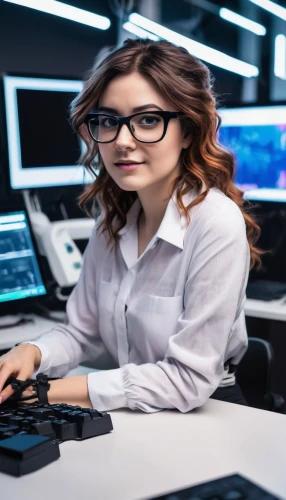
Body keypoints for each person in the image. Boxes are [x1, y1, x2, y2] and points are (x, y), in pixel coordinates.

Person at [0, 39, 263, 412]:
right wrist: (33, 352)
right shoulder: (112, 218)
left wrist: (47, 391)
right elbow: (82, 332)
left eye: (148, 120)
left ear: (187, 131)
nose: (122, 141)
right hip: (135, 409)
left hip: (208, 412)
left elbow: (187, 380)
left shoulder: (215, 224)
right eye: (108, 121)